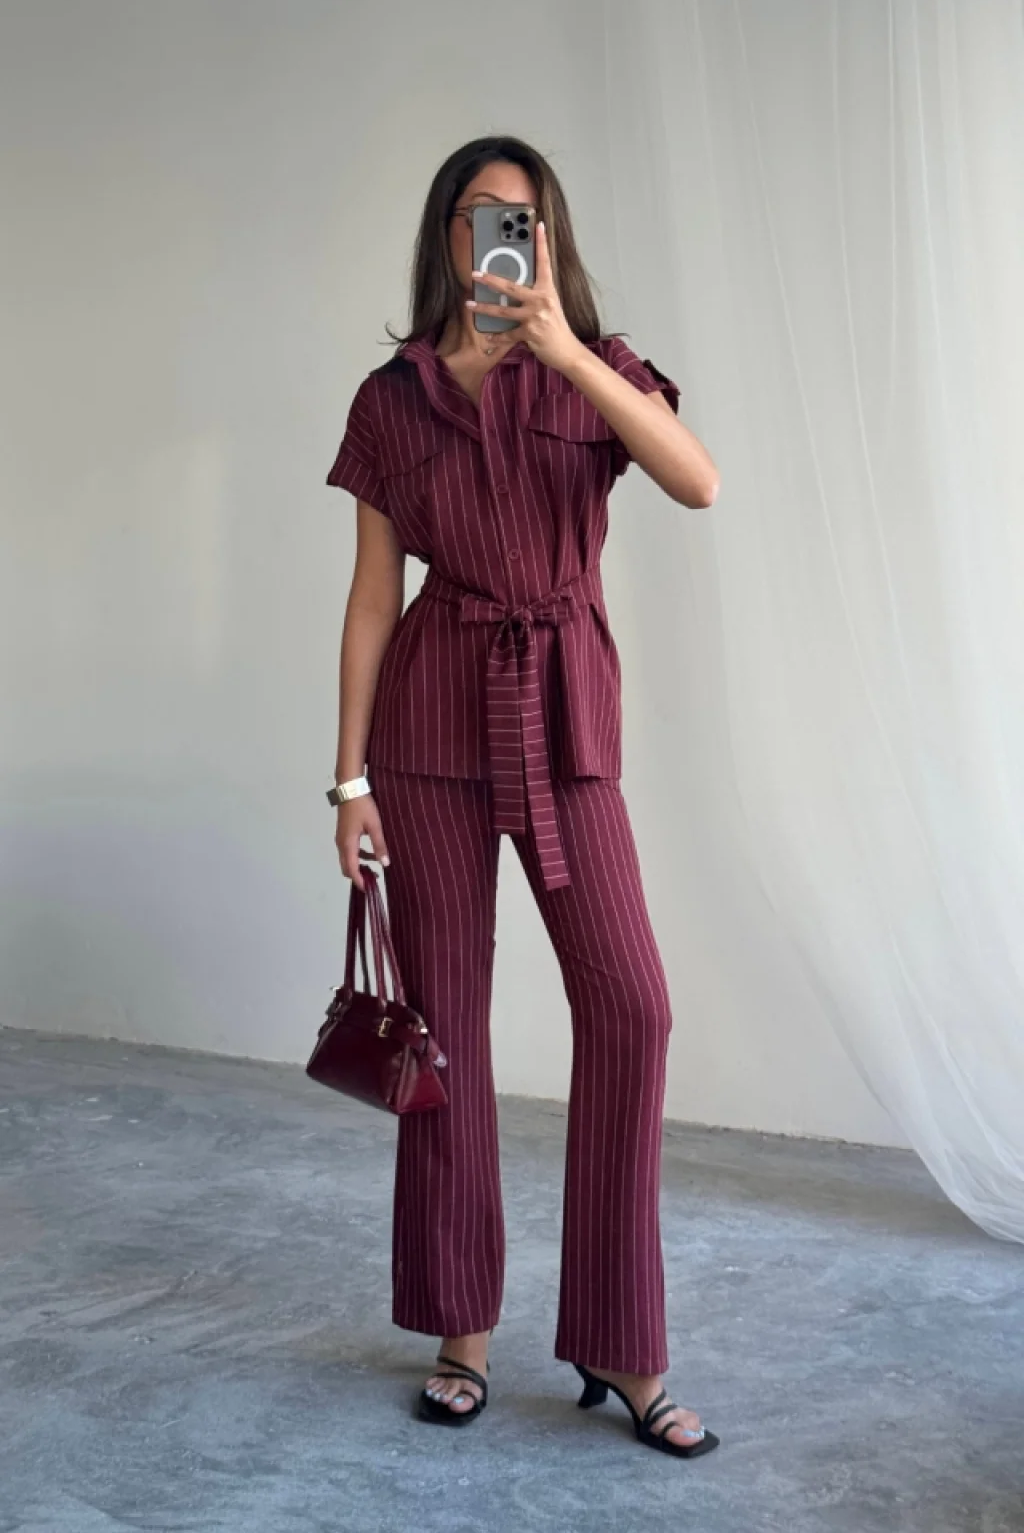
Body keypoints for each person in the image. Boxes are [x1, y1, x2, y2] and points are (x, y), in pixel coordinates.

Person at [325, 135, 721, 1458]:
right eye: (484, 213)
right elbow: (372, 596)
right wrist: (349, 778)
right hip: (432, 724)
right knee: (446, 1028)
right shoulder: (393, 400)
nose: (505, 234)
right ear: (446, 235)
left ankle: (620, 1337)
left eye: (527, 216)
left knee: (632, 1005)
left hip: (564, 716)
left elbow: (697, 479)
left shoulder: (599, 370)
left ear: (551, 239)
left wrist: (564, 352)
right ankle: (461, 1330)